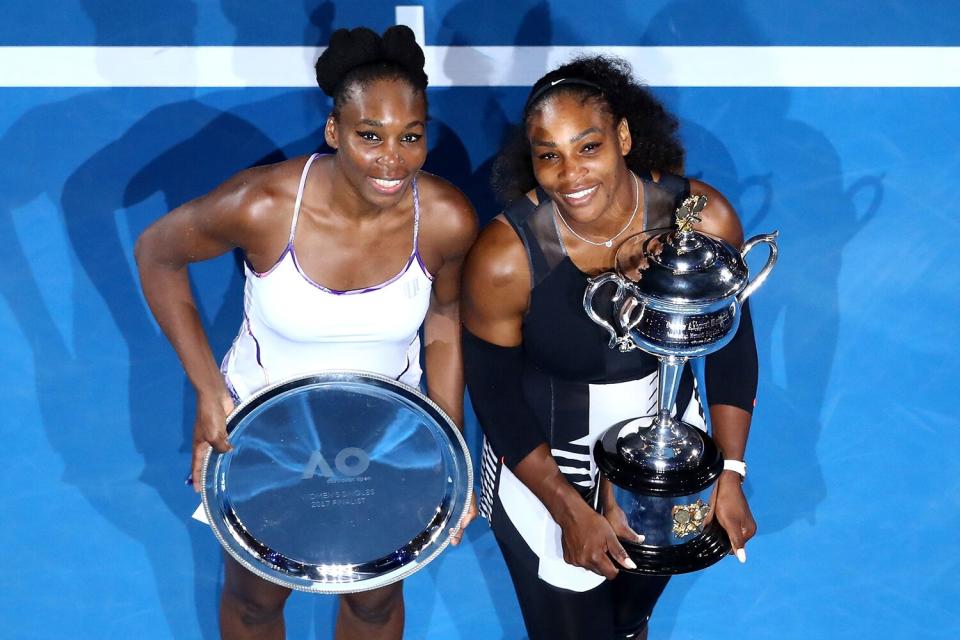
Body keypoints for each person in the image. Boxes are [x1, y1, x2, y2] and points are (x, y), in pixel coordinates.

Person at [135, 25, 478, 640]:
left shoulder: (446, 217)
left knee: (374, 596)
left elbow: (446, 323)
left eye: (411, 137)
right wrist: (209, 390)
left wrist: (445, 447)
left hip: (388, 433)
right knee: (257, 597)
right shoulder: (263, 204)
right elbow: (158, 254)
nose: (391, 159)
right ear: (334, 132)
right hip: (267, 429)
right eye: (369, 136)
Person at [462, 55, 759, 640]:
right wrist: (568, 509)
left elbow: (729, 349)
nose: (570, 175)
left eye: (587, 147)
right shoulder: (504, 258)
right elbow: (493, 394)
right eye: (550, 155)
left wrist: (728, 470)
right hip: (542, 461)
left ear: (623, 137)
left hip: (671, 449)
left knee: (628, 622)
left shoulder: (701, 219)